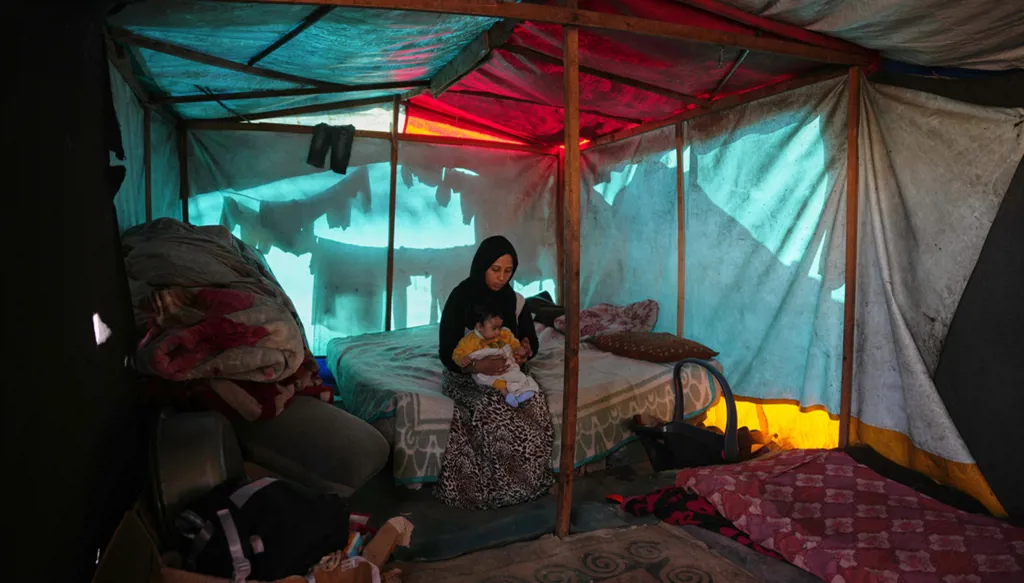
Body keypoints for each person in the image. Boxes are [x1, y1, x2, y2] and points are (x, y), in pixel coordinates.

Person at [435, 235, 555, 509]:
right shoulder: (461, 298)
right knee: (490, 410)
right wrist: (476, 366)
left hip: (508, 372)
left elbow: (529, 340)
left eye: (508, 271)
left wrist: (526, 349)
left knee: (535, 404)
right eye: (495, 270)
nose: (501, 278)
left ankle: (528, 485)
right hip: (467, 375)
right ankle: (493, 491)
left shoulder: (515, 301)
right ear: (481, 267)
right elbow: (446, 352)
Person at [452, 299, 539, 408]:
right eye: (494, 328)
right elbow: (457, 354)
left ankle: (522, 391)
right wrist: (463, 359)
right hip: (484, 372)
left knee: (518, 375)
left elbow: (513, 344)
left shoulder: (504, 333)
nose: (498, 332)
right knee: (495, 382)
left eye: (499, 327)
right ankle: (507, 395)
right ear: (479, 327)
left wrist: (519, 349)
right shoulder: (469, 341)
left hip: (506, 364)